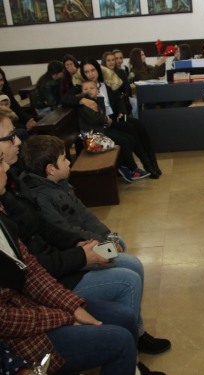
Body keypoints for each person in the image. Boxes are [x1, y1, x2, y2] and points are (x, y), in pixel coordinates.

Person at [0, 110, 171, 363]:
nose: (18, 140)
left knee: (125, 254)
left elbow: (58, 227)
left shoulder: (15, 181)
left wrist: (96, 239)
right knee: (127, 279)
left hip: (64, 257)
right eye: (10, 135)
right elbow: (35, 265)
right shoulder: (34, 192)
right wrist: (83, 254)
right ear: (50, 168)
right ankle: (131, 346)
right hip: (60, 270)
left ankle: (137, 331)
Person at [61, 57, 162, 179]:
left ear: (98, 70)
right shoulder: (82, 87)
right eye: (86, 72)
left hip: (114, 116)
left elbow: (118, 100)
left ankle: (153, 162)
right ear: (82, 73)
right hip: (102, 121)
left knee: (139, 125)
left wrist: (122, 112)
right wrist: (82, 99)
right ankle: (145, 165)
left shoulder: (107, 83)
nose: (90, 74)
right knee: (129, 127)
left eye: (93, 70)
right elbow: (64, 99)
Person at [22, 135, 132, 243]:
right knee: (130, 261)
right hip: (76, 246)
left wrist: (106, 235)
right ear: (51, 169)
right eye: (64, 159)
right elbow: (67, 232)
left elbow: (84, 214)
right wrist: (102, 241)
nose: (69, 162)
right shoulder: (41, 199)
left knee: (118, 240)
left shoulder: (62, 184)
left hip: (84, 237)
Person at [77, 80, 149, 181]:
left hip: (102, 129)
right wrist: (106, 118)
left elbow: (100, 116)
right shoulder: (84, 104)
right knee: (124, 142)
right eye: (85, 89)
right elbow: (94, 119)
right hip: (93, 136)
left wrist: (104, 118)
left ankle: (123, 165)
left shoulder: (98, 100)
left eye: (92, 88)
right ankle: (133, 170)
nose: (89, 90)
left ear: (98, 91)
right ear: (81, 93)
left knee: (130, 138)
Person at [0, 68, 36, 136]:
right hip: (4, 126)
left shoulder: (5, 89)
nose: (0, 83)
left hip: (11, 121)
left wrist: (28, 119)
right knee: (22, 132)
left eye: (1, 80)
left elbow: (14, 105)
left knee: (32, 126)